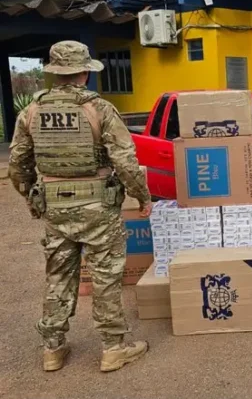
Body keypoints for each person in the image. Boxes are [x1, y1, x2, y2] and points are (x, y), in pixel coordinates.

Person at [9, 41, 153, 372]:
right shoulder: (99, 109)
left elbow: (17, 164)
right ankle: (113, 348)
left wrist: (31, 196)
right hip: (99, 207)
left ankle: (53, 348)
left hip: (55, 205)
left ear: (54, 74)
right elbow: (125, 161)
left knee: (58, 274)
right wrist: (142, 196)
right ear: (85, 73)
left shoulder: (32, 111)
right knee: (106, 275)